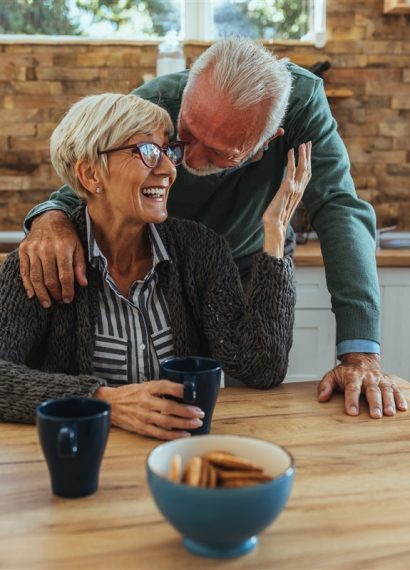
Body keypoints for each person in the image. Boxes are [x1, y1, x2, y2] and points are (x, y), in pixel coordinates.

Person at [19, 37, 407, 419]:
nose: (183, 161)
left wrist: (360, 354)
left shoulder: (302, 106)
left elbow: (340, 208)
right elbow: (85, 176)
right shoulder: (156, 103)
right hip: (169, 262)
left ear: (266, 143)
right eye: (183, 135)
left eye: (222, 152)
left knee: (249, 393)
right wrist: (50, 217)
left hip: (249, 257)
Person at [0, 92, 309, 439]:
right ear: (89, 174)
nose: (168, 169)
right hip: (86, 459)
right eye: (147, 152)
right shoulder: (40, 264)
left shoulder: (201, 251)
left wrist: (276, 231)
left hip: (181, 455)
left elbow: (260, 367)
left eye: (168, 151)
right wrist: (104, 401)